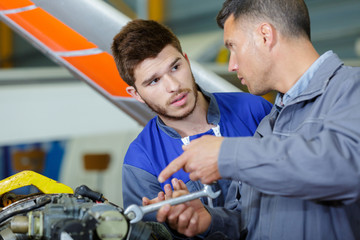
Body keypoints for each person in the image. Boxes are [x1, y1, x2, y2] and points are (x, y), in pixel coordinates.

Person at [158, 0, 360, 239]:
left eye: (233, 46)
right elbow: (251, 220)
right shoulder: (268, 125)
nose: (232, 64)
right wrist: (211, 220)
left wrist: (227, 155)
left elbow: (347, 167)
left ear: (265, 35)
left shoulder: (351, 89)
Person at [111, 19, 272, 239]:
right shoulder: (140, 161)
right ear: (136, 94)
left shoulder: (254, 109)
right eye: (154, 81)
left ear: (187, 60)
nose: (173, 86)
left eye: (175, 67)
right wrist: (176, 226)